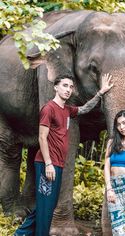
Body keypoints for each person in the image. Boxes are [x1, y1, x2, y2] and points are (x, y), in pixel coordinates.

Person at [14, 73, 113, 236]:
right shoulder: (48, 109)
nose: (68, 90)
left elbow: (85, 108)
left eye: (71, 87)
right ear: (56, 87)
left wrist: (101, 92)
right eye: (65, 86)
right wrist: (48, 164)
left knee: (47, 205)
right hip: (47, 164)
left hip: (58, 164)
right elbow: (42, 137)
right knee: (46, 207)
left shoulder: (66, 110)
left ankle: (20, 234)